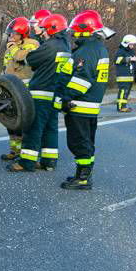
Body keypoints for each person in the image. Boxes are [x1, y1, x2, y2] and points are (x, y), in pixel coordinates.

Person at [54, 10, 113, 190]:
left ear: (85, 30)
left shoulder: (87, 50)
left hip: (80, 104)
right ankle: (83, 174)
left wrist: (66, 97)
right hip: (90, 105)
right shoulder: (98, 48)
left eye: (76, 31)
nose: (74, 34)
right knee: (86, 142)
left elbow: (83, 79)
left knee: (79, 142)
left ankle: (83, 179)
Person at [6, 13, 69, 172]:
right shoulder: (65, 46)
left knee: (33, 127)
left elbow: (31, 60)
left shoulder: (51, 45)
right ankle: (49, 162)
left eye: (45, 29)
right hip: (54, 93)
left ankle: (26, 162)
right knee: (50, 128)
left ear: (52, 30)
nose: (43, 32)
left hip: (41, 92)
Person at [0, 17, 40, 161]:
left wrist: (11, 46)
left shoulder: (33, 44)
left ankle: (25, 152)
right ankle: (14, 150)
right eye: (10, 34)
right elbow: (6, 66)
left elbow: (20, 57)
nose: (11, 36)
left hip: (25, 90)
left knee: (24, 122)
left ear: (23, 34)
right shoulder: (12, 45)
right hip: (10, 89)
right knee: (12, 121)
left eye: (14, 34)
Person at [114, 34, 136, 112]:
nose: (132, 46)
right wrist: (130, 59)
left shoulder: (130, 51)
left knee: (126, 92)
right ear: (126, 43)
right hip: (123, 76)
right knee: (123, 91)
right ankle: (121, 107)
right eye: (131, 44)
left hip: (129, 76)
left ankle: (124, 105)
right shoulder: (120, 51)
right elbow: (117, 60)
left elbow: (134, 62)